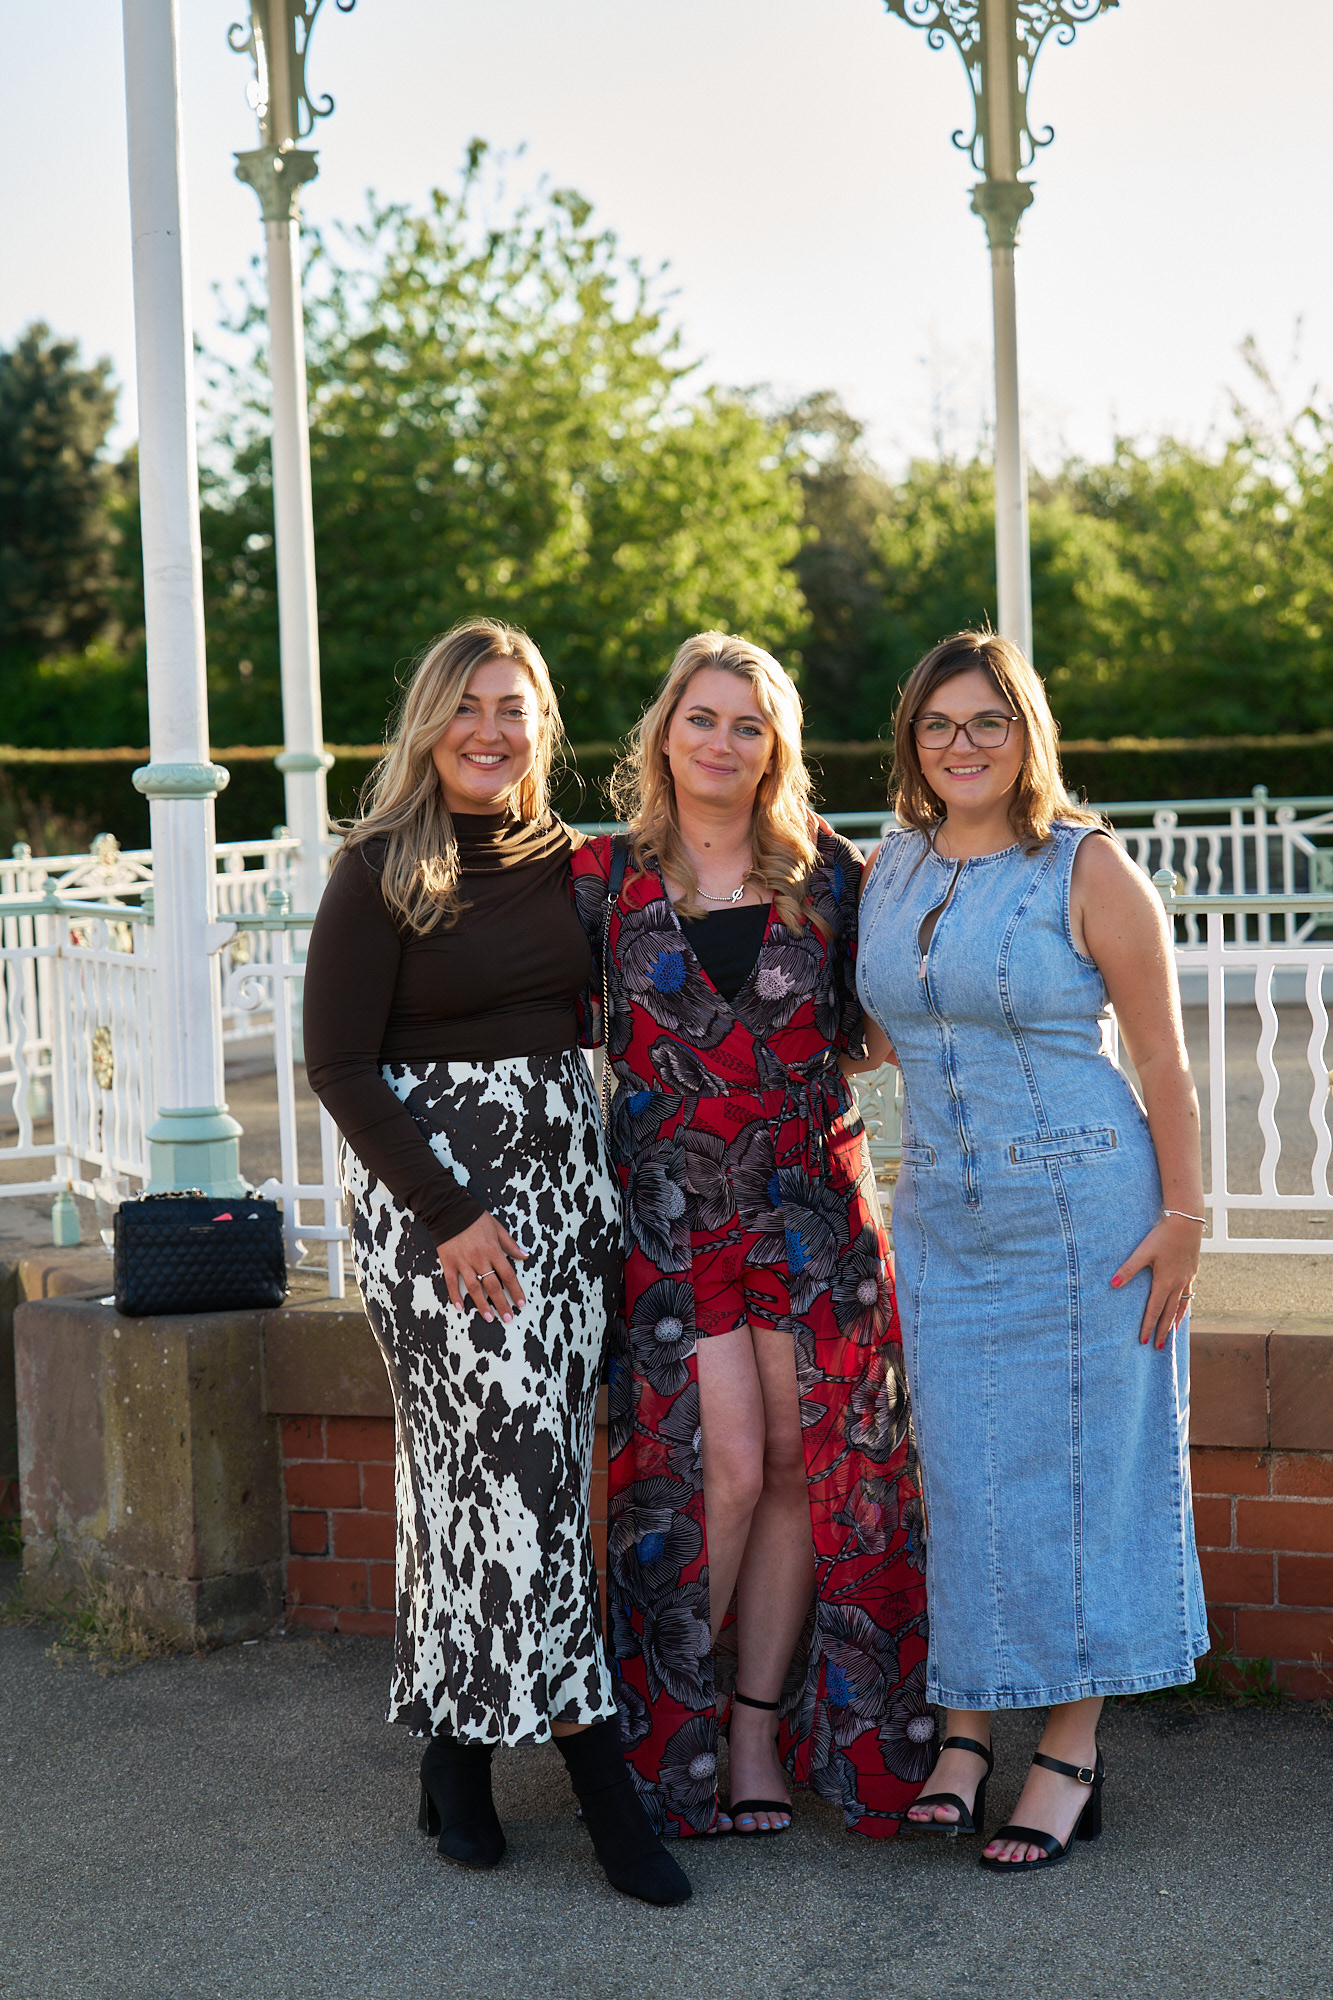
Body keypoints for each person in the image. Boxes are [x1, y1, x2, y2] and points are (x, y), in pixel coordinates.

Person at [303, 618, 691, 1907]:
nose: (489, 729)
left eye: (512, 707)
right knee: (516, 1482)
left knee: (489, 1482)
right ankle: (598, 1777)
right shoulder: (377, 867)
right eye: (467, 705)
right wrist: (450, 1211)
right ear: (429, 722)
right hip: (444, 1220)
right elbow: (339, 1064)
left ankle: (455, 1750)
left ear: (542, 725)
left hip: (567, 1205)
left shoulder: (572, 864)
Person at [856, 630, 1208, 1874]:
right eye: (938, 723)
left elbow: (1160, 1056)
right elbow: (875, 1032)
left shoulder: (1086, 864)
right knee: (960, 1479)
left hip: (1086, 1215)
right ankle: (963, 1733)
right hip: (943, 1219)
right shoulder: (889, 867)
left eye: (986, 722)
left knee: (1080, 1474)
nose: (961, 745)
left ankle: (1068, 1748)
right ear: (913, 740)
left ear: (1025, 733)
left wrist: (1184, 1217)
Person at [571, 631, 932, 1843]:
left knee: (796, 1465)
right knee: (718, 1465)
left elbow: (881, 1028)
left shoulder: (830, 873)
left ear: (775, 746)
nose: (721, 742)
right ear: (664, 731)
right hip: (673, 1217)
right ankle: (658, 1748)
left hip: (811, 1206)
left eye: (748, 724)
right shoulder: (600, 880)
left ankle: (753, 1731)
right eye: (702, 717)